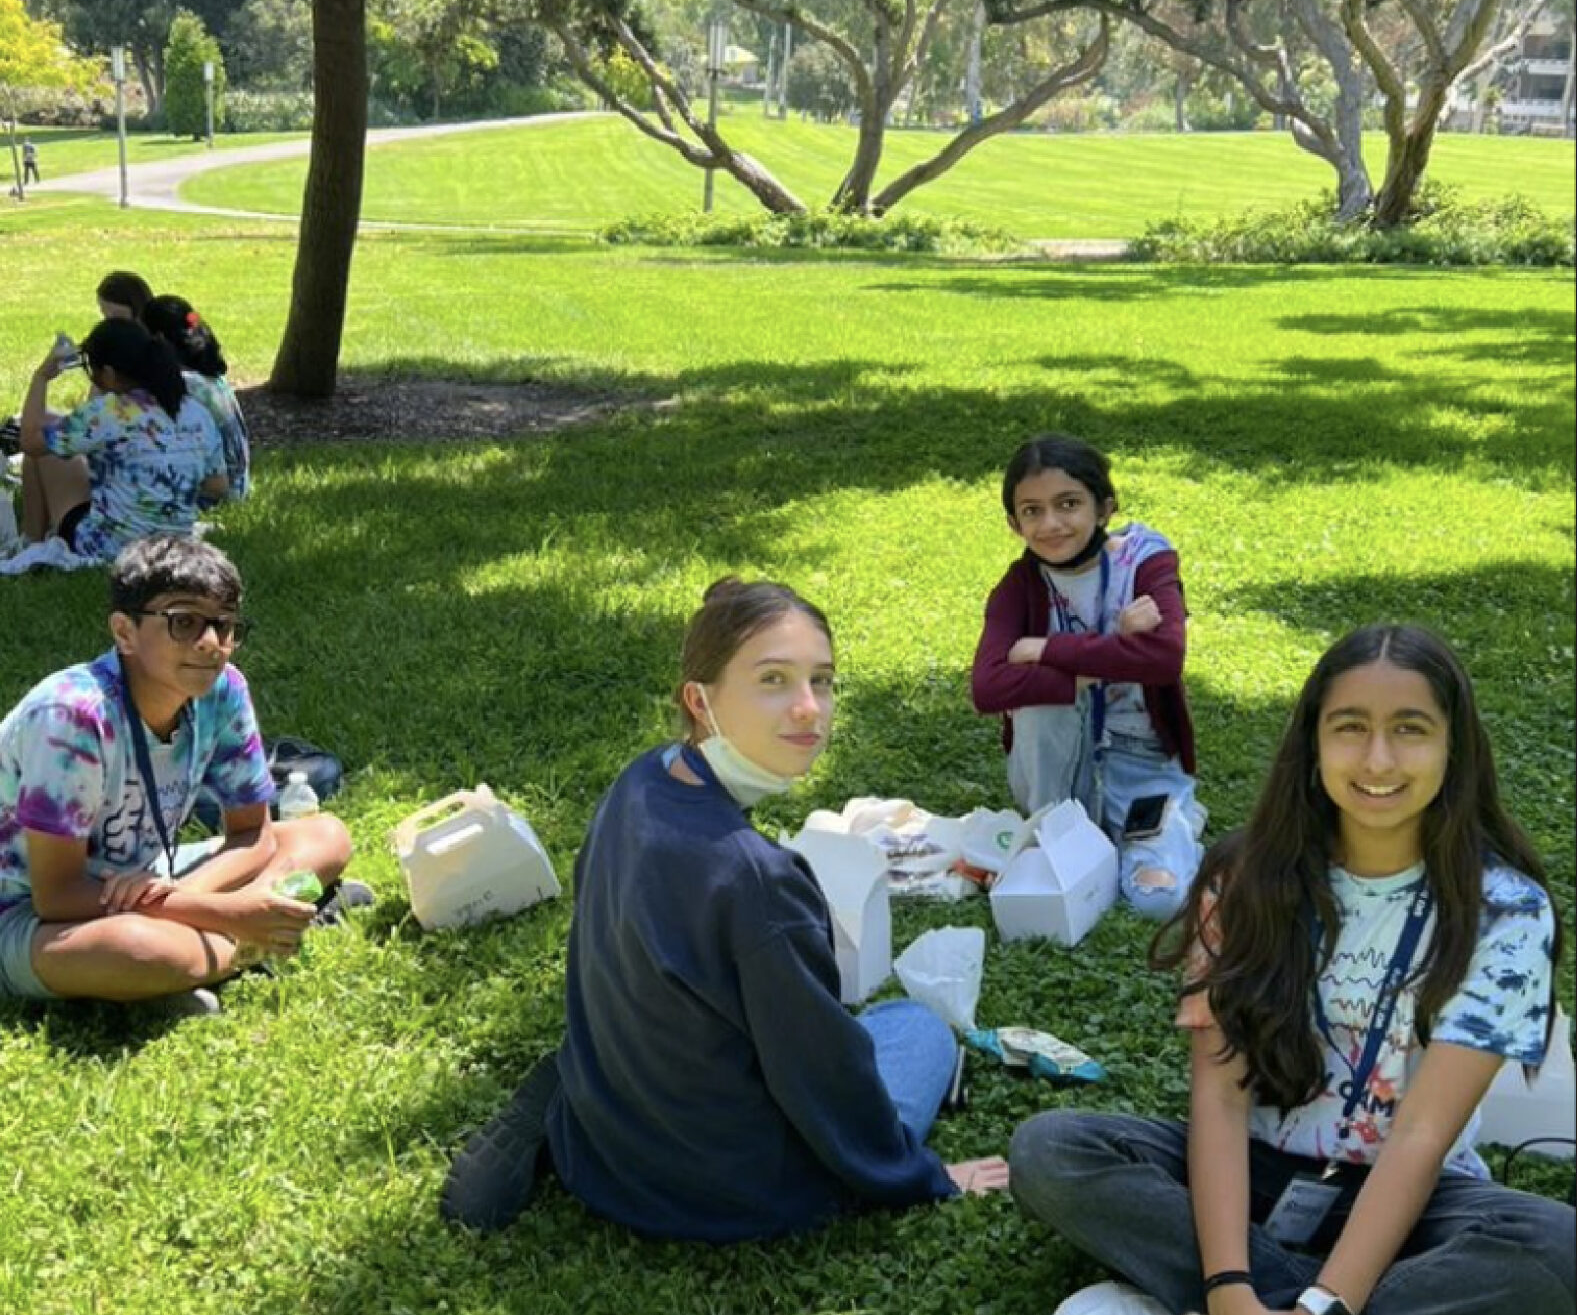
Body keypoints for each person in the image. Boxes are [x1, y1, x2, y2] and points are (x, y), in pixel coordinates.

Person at [1010, 623, 1574, 1315]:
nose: (1377, 761)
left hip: (1411, 1196)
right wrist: (1231, 1285)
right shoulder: (1246, 880)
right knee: (1052, 1150)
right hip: (1253, 1171)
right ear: (1313, 743)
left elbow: (1417, 1138)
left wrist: (1326, 1314)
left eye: (1409, 730)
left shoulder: (1505, 910)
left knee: (1557, 1250)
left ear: (1454, 749)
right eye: (1350, 728)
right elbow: (1221, 1099)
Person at [443, 577, 1009, 1239]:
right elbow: (822, 1072)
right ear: (700, 699)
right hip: (736, 1190)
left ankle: (574, 1084)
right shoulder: (757, 878)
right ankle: (581, 1085)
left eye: (820, 681)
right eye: (772, 680)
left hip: (613, 1146)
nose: (808, 709)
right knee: (912, 1027)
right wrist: (925, 1178)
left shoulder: (640, 780)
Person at [0, 537, 355, 1016]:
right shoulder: (72, 716)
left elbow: (253, 833)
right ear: (124, 632)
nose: (212, 644)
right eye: (184, 622)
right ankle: (263, 935)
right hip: (29, 912)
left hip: (143, 881)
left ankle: (223, 943)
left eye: (224, 625)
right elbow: (57, 896)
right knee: (135, 950)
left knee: (325, 835)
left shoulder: (223, 690)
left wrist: (186, 896)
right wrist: (224, 911)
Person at [971, 433, 1203, 918]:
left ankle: (1164, 826)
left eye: (1068, 504)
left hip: (1141, 762)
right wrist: (1105, 657)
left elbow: (1164, 657)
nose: (1051, 524)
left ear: (1105, 508)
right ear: (1014, 523)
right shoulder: (1018, 587)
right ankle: (1054, 827)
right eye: (1031, 511)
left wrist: (1048, 650)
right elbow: (988, 686)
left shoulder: (1146, 561)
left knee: (1155, 900)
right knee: (1036, 696)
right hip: (1055, 772)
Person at [16, 318, 227, 559]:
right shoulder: (196, 412)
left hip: (108, 546)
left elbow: (30, 441)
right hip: (174, 542)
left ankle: (29, 541)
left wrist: (41, 377)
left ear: (109, 373)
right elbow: (217, 486)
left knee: (43, 457)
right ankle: (32, 539)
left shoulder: (108, 413)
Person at [144, 294, 251, 503]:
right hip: (238, 486)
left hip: (217, 495)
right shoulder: (209, 376)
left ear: (159, 339)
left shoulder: (184, 385)